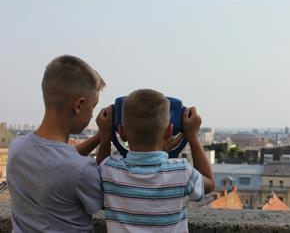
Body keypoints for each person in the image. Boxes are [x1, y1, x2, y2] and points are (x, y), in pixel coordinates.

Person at [6, 55, 112, 233]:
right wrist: (107, 138)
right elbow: (108, 196)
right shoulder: (81, 170)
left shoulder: (17, 147)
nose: (92, 114)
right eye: (93, 107)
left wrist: (98, 137)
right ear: (79, 105)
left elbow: (59, 158)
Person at [98, 89, 215, 232]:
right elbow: (208, 183)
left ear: (121, 132)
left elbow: (96, 184)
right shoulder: (181, 171)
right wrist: (193, 137)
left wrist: (105, 137)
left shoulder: (109, 169)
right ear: (169, 131)